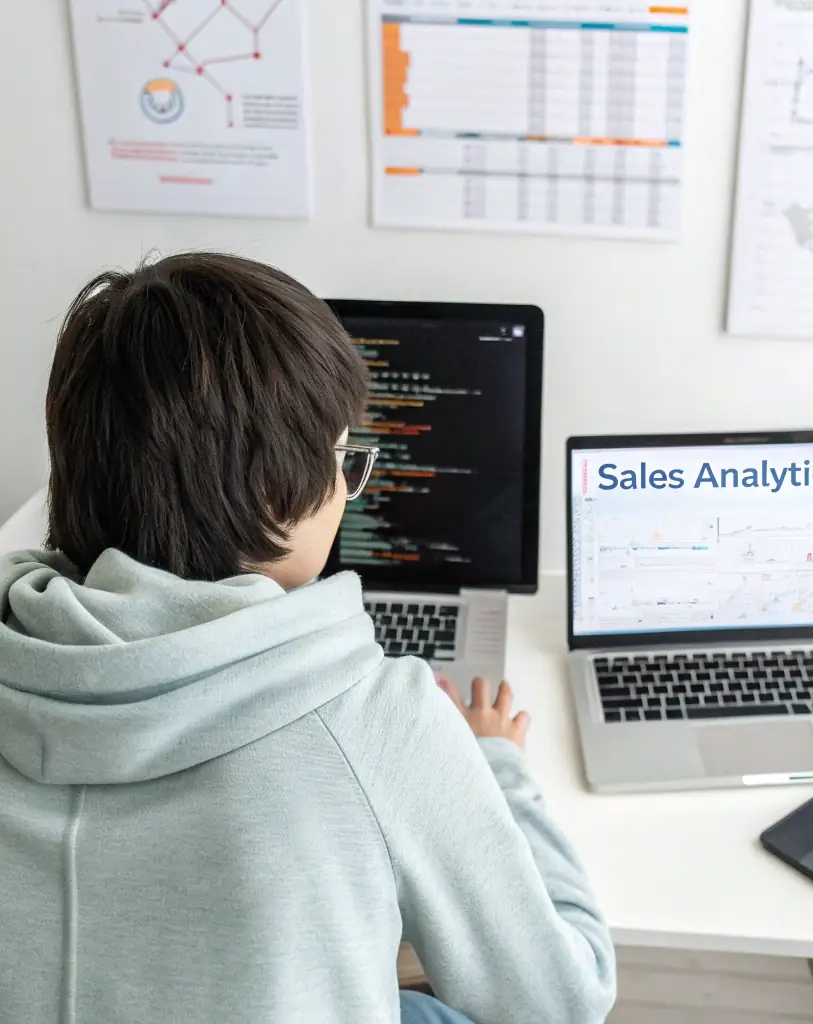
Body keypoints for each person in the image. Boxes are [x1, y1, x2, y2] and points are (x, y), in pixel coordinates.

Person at [0, 253, 616, 1024]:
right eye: (345, 462)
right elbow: (563, 1001)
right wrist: (497, 770)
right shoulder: (379, 723)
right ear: (274, 492)